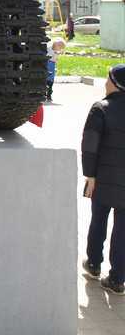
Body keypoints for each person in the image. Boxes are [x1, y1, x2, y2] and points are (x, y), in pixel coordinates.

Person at [81, 64, 125, 295]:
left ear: (115, 83)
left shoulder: (101, 108)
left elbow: (89, 146)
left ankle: (94, 264)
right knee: (123, 230)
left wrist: (90, 176)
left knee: (98, 220)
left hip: (102, 180)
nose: (105, 83)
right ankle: (117, 279)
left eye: (108, 79)